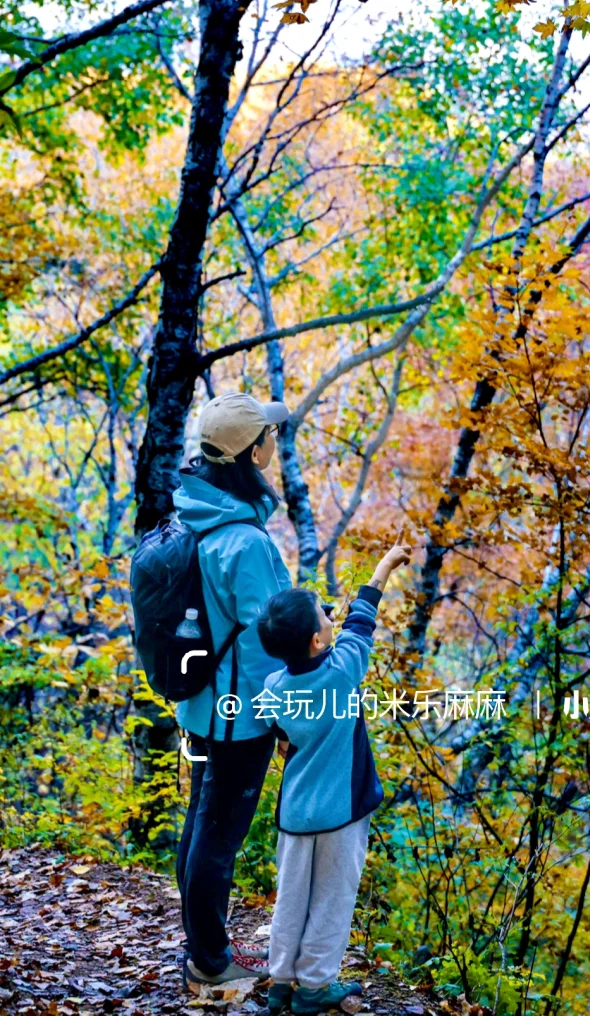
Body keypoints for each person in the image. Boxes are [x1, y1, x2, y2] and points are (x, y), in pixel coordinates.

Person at [254, 542, 411, 1015]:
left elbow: (276, 731)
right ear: (318, 642)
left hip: (296, 813)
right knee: (332, 900)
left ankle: (281, 980)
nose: (330, 617)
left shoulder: (273, 688)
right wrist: (383, 566)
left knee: (291, 898)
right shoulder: (342, 673)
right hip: (341, 812)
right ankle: (316, 987)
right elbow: (362, 620)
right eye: (323, 618)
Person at [174, 391, 294, 991]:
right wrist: (284, 717)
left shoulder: (195, 510)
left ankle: (201, 945)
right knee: (218, 836)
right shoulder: (246, 542)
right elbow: (268, 638)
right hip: (237, 715)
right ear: (252, 451)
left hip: (201, 706)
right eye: (269, 435)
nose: (276, 440)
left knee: (202, 822)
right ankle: (209, 964)